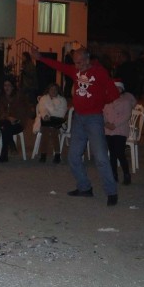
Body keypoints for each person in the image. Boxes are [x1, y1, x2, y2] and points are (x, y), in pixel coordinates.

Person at [33, 46, 121, 206]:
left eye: (79, 62)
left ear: (87, 60)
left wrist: (98, 102)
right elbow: (59, 66)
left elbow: (114, 94)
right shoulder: (75, 70)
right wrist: (41, 58)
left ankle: (111, 191)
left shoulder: (99, 72)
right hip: (79, 118)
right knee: (73, 156)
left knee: (101, 157)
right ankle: (84, 187)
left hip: (94, 118)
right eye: (75, 63)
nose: (77, 66)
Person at [104, 79, 137, 184]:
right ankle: (114, 174)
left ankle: (126, 173)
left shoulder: (125, 101)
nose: (116, 90)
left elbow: (126, 115)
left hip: (120, 130)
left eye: (118, 88)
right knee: (112, 153)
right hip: (108, 130)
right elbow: (102, 112)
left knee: (120, 152)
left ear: (122, 89)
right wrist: (106, 123)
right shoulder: (107, 100)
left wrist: (114, 124)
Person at [0, 78, 32, 162]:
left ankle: (4, 155)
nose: (6, 87)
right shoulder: (0, 98)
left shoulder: (20, 97)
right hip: (3, 121)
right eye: (5, 85)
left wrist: (15, 119)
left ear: (13, 87)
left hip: (17, 123)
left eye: (9, 85)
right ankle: (10, 146)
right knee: (5, 124)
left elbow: (24, 111)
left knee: (5, 128)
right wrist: (8, 117)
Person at [33, 82, 68, 163]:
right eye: (51, 89)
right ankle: (44, 153)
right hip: (46, 121)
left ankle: (56, 154)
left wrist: (50, 114)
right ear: (48, 90)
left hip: (57, 121)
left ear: (58, 91)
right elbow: (41, 108)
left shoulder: (62, 100)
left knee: (53, 130)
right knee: (45, 130)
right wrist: (45, 115)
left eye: (55, 90)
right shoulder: (44, 99)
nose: (53, 91)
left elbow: (62, 112)